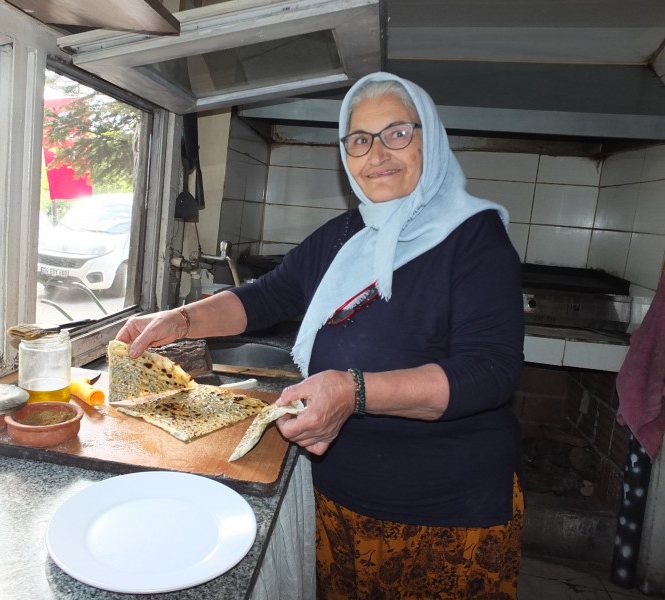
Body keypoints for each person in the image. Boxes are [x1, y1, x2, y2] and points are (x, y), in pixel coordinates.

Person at [116, 71, 525, 599]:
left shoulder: (475, 239)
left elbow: (489, 372)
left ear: (431, 138)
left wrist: (353, 391)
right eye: (360, 140)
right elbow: (266, 296)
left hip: (442, 511)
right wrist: (181, 319)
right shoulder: (345, 235)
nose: (377, 153)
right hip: (337, 496)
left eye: (398, 133)